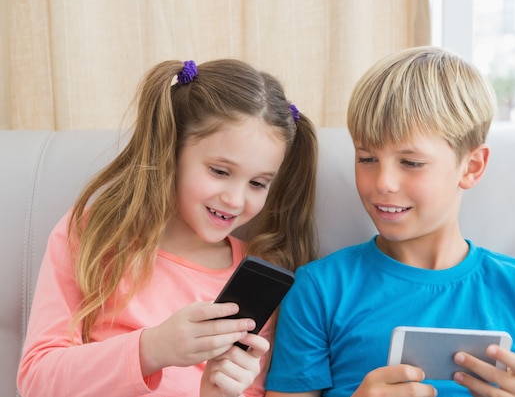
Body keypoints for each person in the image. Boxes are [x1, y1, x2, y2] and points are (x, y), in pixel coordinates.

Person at [265, 46, 515, 397]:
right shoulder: (319, 289)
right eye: (367, 158)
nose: (383, 182)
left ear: (471, 166)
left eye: (411, 162)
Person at [17, 58, 318, 397]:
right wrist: (153, 348)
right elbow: (36, 381)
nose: (235, 199)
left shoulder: (258, 279)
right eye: (220, 171)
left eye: (258, 183)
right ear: (170, 150)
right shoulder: (93, 235)